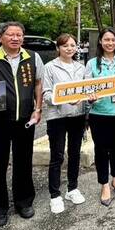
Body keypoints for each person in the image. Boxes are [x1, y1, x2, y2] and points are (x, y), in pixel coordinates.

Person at [0, 21, 44, 227]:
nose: (16, 38)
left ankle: (23, 202)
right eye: (11, 35)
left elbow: (39, 83)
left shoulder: (32, 57)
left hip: (25, 118)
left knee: (24, 160)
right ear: (0, 38)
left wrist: (37, 108)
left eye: (19, 35)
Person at [86, 28, 115, 206]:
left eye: (113, 40)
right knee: (101, 149)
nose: (110, 43)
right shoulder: (92, 64)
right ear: (100, 42)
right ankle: (104, 184)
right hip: (100, 113)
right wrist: (89, 97)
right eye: (107, 40)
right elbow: (86, 87)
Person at [42, 34, 88, 214]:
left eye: (72, 45)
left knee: (75, 153)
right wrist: (65, 99)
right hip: (57, 117)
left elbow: (86, 89)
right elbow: (46, 94)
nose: (69, 48)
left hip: (77, 115)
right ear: (58, 48)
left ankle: (72, 188)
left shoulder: (81, 67)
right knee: (57, 156)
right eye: (65, 46)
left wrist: (87, 99)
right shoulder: (50, 67)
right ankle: (55, 195)